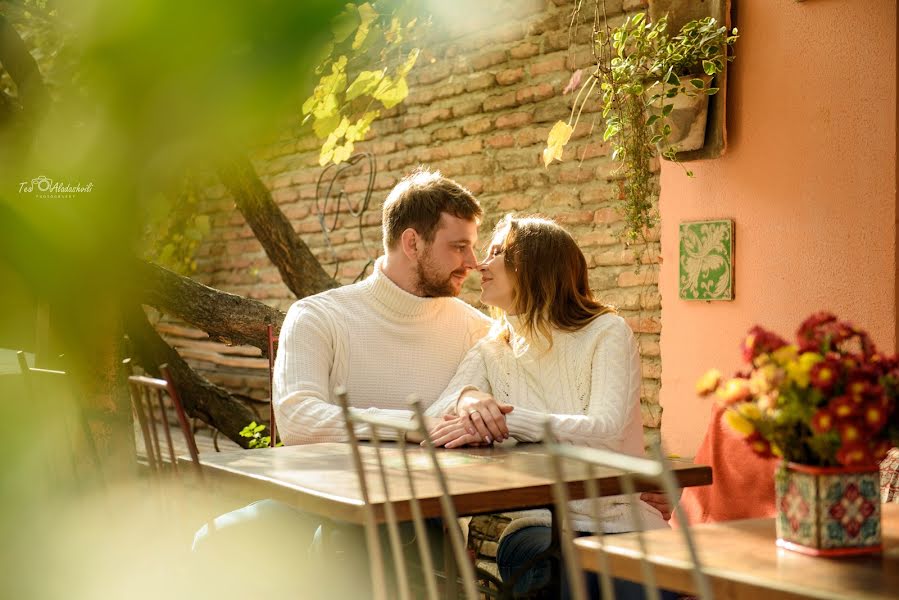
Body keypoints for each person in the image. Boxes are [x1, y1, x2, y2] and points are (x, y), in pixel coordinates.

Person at [424, 215, 673, 599]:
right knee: (545, 565)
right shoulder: (494, 346)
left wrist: (506, 420)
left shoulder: (606, 332)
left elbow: (605, 432)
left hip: (623, 519)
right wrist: (468, 399)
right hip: (535, 525)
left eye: (497, 253)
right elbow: (434, 419)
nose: (479, 265)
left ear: (535, 263)